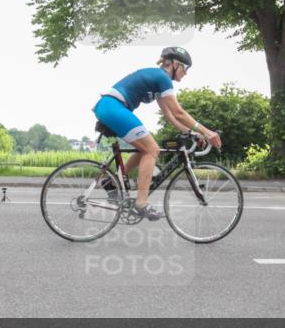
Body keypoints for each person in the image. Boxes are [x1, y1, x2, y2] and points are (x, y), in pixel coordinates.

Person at [92, 47, 222, 220]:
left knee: (145, 149)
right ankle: (141, 203)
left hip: (110, 107)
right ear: (175, 64)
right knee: (152, 149)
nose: (186, 73)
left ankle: (112, 182)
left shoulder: (159, 80)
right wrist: (207, 132)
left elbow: (170, 116)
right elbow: (178, 112)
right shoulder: (162, 77)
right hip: (113, 107)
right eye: (185, 68)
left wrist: (191, 132)